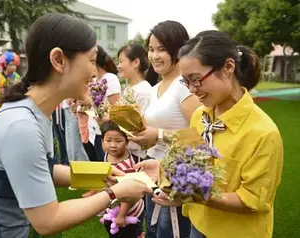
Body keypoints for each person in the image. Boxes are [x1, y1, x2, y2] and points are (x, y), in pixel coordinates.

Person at [0, 13, 152, 238]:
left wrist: (102, 172)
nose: (95, 73)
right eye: (91, 60)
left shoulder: (34, 113)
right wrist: (115, 192)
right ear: (58, 60)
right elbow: (48, 220)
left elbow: (42, 168)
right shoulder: (21, 125)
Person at [135, 30, 283, 238]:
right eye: (186, 82)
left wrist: (192, 194)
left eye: (197, 79)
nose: (193, 90)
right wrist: (163, 168)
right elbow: (193, 166)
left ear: (228, 67)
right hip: (198, 224)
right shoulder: (199, 115)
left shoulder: (263, 133)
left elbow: (251, 200)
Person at [130, 21, 201, 238]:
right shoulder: (155, 88)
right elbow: (155, 132)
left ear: (178, 49)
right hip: (153, 171)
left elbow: (200, 138)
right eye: (151, 50)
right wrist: (141, 135)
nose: (154, 56)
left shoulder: (184, 87)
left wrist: (158, 135)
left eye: (161, 49)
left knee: (168, 232)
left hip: (177, 178)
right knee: (153, 230)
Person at [100, 121, 145, 238]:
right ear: (102, 141)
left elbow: (129, 193)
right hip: (114, 206)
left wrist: (122, 215)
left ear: (127, 141)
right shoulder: (108, 155)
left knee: (127, 234)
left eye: (118, 141)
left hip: (129, 210)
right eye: (108, 141)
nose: (113, 145)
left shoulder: (127, 167)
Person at [83, 45, 121, 161]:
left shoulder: (110, 78)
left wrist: (88, 101)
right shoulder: (95, 80)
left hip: (104, 134)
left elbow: (117, 109)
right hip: (94, 132)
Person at [117, 43, 153, 161]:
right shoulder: (129, 88)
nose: (119, 66)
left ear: (135, 62)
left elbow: (141, 126)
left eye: (121, 61)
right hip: (127, 150)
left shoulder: (144, 91)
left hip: (138, 155)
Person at [0, 51, 21, 115]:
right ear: (4, 65)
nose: (13, 67)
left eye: (15, 65)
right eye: (11, 65)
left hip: (14, 106)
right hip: (0, 107)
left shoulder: (17, 76)